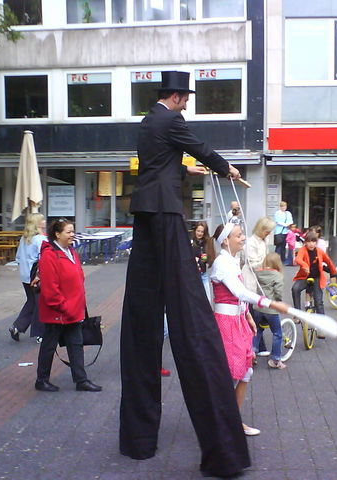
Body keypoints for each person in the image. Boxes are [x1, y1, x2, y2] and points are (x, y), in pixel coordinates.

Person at [119, 71, 250, 478]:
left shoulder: (147, 121)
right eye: (186, 98)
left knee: (142, 311)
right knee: (188, 310)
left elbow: (160, 161)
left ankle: (137, 439)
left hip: (145, 210)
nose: (188, 104)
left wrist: (184, 172)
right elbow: (198, 146)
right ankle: (222, 447)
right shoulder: (171, 120)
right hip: (163, 212)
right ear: (175, 97)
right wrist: (225, 167)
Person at [211, 223, 291, 435]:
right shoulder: (222, 263)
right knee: (228, 374)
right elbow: (240, 292)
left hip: (236, 322)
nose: (243, 238)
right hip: (226, 323)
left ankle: (232, 420)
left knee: (245, 372)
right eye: (239, 235)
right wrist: (271, 304)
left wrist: (247, 314)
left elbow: (240, 295)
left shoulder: (231, 261)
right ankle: (223, 422)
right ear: (226, 240)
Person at [34, 218, 102, 393]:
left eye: (73, 231)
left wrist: (76, 306)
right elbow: (50, 290)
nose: (73, 235)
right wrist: (65, 307)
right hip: (58, 312)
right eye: (69, 232)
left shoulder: (71, 251)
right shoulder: (49, 255)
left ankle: (81, 380)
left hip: (73, 311)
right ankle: (42, 380)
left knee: (76, 345)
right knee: (49, 346)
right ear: (57, 234)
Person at [291, 231, 337, 337]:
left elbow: (329, 261)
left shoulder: (319, 251)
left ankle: (322, 329)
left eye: (313, 242)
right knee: (295, 289)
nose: (311, 244)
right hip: (305, 277)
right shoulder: (303, 250)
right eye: (309, 242)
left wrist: (334, 273)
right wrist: (304, 265)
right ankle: (297, 314)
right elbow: (298, 259)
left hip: (317, 278)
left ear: (316, 243)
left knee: (319, 302)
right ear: (305, 243)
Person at [9, 213, 47, 343]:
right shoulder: (40, 239)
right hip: (36, 275)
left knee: (32, 301)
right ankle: (40, 334)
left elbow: (18, 258)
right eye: (42, 219)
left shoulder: (24, 239)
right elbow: (44, 258)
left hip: (25, 275)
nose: (45, 221)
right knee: (40, 304)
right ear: (37, 223)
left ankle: (17, 327)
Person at [242, 217, 275, 356]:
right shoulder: (250, 242)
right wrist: (266, 264)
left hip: (260, 280)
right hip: (250, 280)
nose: (268, 234)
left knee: (258, 315)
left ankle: (257, 346)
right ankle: (253, 348)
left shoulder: (263, 240)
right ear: (261, 229)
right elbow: (251, 263)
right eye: (267, 231)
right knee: (253, 314)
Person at [252, 252, 287, 369]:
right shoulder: (277, 276)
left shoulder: (258, 273)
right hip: (271, 309)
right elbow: (278, 293)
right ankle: (275, 359)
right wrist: (279, 301)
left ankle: (252, 354)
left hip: (258, 307)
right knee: (277, 333)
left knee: (257, 331)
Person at [190, 221, 216, 301]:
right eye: (198, 231)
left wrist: (202, 259)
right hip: (192, 274)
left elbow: (206, 258)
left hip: (203, 273)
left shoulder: (206, 243)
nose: (200, 233)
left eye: (202, 232)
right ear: (195, 231)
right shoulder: (190, 241)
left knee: (207, 298)